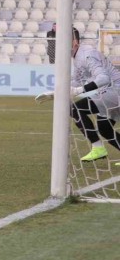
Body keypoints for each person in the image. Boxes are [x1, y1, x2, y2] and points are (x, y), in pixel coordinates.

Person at [37, 28, 120, 163]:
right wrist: (56, 93)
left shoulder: (87, 54)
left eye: (63, 41)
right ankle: (98, 149)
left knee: (75, 109)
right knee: (105, 129)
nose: (59, 45)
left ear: (74, 42)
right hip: (110, 93)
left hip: (114, 90)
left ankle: (97, 147)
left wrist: (78, 91)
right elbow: (77, 81)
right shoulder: (78, 56)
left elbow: (104, 78)